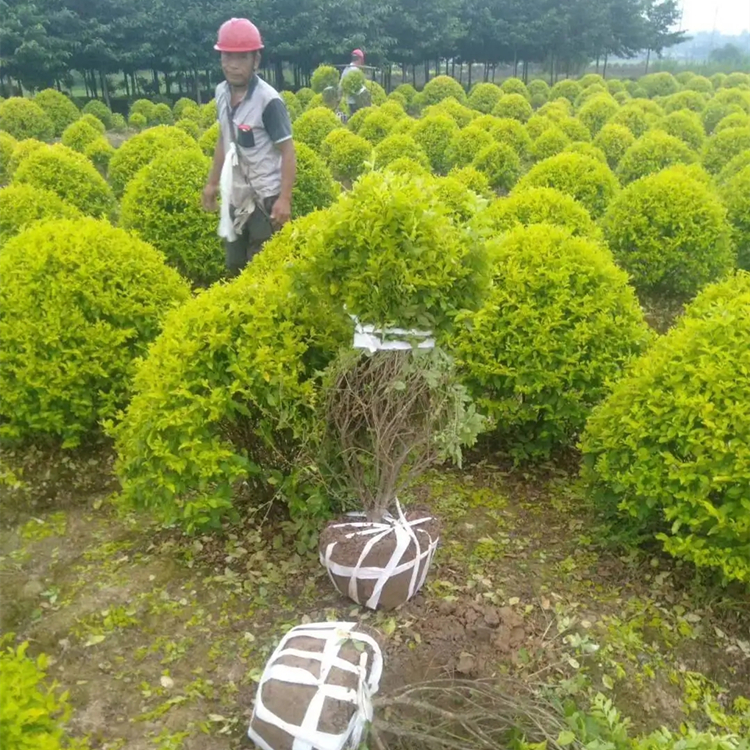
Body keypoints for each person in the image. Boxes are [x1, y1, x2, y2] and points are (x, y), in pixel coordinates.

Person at [202, 18, 296, 277]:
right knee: (234, 265)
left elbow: (288, 151)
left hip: (266, 201)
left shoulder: (269, 101)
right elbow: (225, 138)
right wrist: (212, 183)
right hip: (236, 194)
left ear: (256, 60)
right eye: (227, 57)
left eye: (242, 58)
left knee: (263, 270)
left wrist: (284, 199)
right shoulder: (221, 92)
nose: (233, 65)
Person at [339, 49, 366, 115]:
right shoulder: (357, 71)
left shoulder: (346, 69)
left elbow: (340, 85)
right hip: (355, 103)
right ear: (360, 59)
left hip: (346, 101)